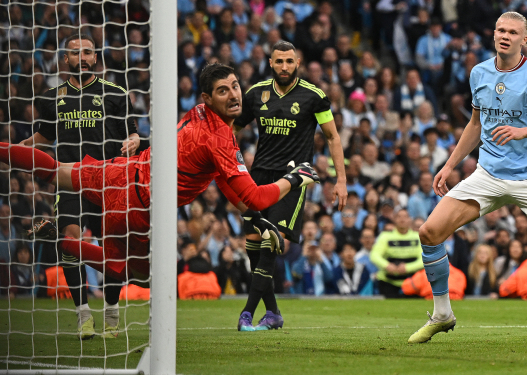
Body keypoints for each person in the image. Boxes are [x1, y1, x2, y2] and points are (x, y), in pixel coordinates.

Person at [9, 64, 319, 312]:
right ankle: (62, 244)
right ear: (207, 98)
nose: (234, 95)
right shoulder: (220, 138)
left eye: (236, 86)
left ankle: (4, 151)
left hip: (120, 170)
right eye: (223, 91)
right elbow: (254, 194)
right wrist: (294, 179)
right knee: (137, 274)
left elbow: (224, 181)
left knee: (55, 171)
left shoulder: (198, 115)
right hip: (138, 207)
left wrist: (251, 215)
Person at [408, 11, 527, 345]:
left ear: (525, 38)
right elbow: (476, 124)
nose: (505, 36)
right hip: (487, 174)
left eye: (512, 32)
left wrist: (523, 132)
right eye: (500, 30)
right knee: (429, 232)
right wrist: (449, 165)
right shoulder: (479, 72)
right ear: (494, 35)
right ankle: (443, 314)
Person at [20, 33, 139, 340]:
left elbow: (135, 134)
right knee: (70, 241)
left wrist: (134, 140)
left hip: (109, 184)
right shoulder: (51, 97)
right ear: (66, 60)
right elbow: (45, 137)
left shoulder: (115, 93)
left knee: (114, 250)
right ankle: (83, 314)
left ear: (96, 58)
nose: (82, 58)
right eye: (76, 54)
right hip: (71, 182)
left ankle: (112, 314)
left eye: (88, 53)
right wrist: (15, 150)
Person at [234, 40, 348, 331]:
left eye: (289, 61)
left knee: (271, 243)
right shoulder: (255, 94)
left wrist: (341, 180)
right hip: (257, 177)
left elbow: (333, 137)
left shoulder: (314, 96)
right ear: (270, 63)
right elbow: (232, 130)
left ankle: (246, 313)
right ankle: (272, 313)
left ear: (297, 63)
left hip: (295, 178)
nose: (284, 66)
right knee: (254, 248)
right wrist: (231, 166)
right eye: (279, 61)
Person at [369, 208, 423, 298]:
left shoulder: (417, 237)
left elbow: (424, 259)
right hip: (388, 282)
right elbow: (374, 255)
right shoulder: (385, 236)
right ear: (394, 219)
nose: (402, 219)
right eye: (399, 216)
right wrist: (387, 265)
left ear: (410, 220)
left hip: (413, 282)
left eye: (405, 217)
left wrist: (407, 268)